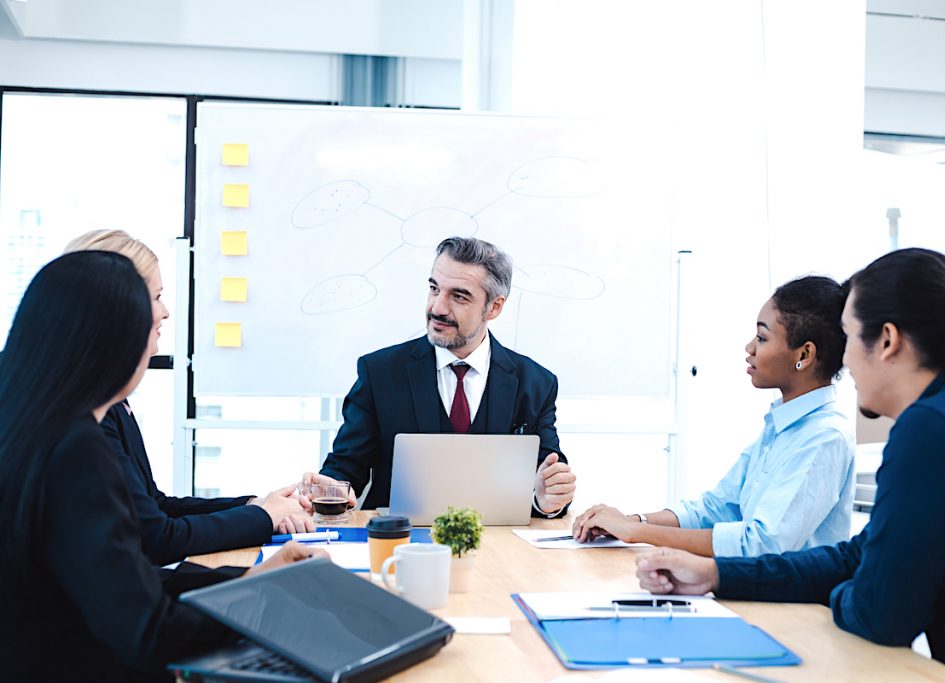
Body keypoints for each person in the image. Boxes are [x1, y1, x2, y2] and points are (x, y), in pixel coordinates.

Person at [635, 249, 945, 683]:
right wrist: (719, 573)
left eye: (850, 337)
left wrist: (842, 595)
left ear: (888, 341)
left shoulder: (932, 429)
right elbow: (859, 556)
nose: (846, 362)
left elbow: (881, 615)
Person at [0, 251, 325, 681]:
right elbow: (149, 629)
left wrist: (252, 578)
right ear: (112, 343)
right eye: (149, 318)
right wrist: (264, 603)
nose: (160, 324)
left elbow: (126, 581)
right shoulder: (75, 448)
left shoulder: (28, 426)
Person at [64, 229, 313, 566]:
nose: (165, 312)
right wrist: (263, 518)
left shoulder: (110, 400)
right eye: (156, 296)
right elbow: (155, 536)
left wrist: (255, 506)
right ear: (118, 304)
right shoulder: (86, 412)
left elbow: (154, 504)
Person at [573, 276, 855, 557]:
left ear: (804, 354)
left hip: (789, 601)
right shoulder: (781, 426)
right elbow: (718, 508)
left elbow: (761, 544)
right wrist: (632, 521)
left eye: (762, 337)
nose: (750, 348)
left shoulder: (825, 437)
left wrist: (637, 533)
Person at [311, 236, 576, 517]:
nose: (437, 308)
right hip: (401, 546)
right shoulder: (379, 373)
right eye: (434, 289)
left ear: (494, 307)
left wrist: (546, 499)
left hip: (500, 549)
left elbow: (548, 479)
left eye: (459, 296)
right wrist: (332, 490)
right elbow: (346, 468)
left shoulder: (536, 383)